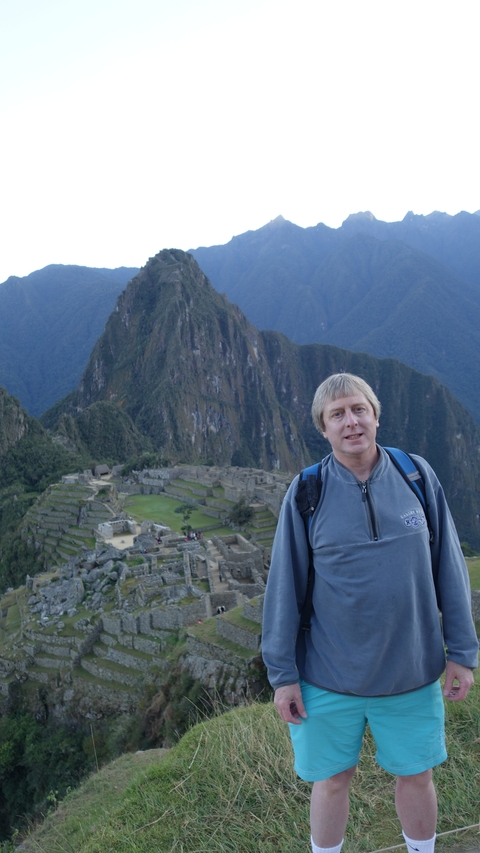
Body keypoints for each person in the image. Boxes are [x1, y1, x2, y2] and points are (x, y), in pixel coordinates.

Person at [262, 373, 478, 853]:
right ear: (323, 428)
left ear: (376, 415)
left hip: (411, 671)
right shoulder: (307, 493)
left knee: (416, 776)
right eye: (337, 414)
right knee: (332, 780)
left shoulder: (415, 476)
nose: (351, 421)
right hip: (327, 675)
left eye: (358, 409)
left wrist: (462, 651)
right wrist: (283, 675)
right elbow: (284, 587)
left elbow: (449, 566)